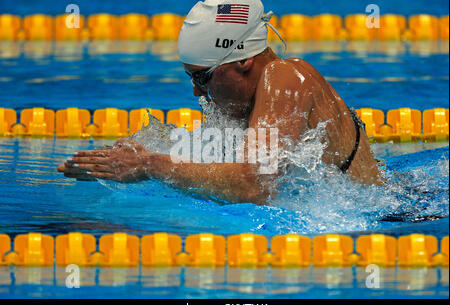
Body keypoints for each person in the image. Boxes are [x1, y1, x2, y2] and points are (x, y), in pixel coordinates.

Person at [57, 0, 382, 204]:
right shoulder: (248, 99)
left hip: (379, 222)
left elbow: (255, 185)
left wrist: (149, 165)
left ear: (243, 61)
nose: (197, 93)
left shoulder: (283, 77)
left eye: (202, 77)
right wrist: (149, 147)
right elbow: (226, 159)